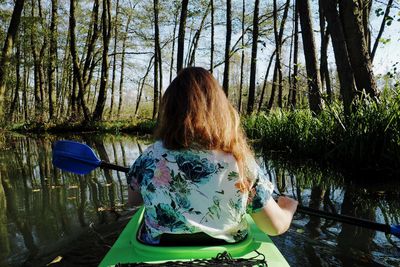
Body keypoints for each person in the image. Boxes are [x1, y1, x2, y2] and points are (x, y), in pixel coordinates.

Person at [127, 67, 298, 245]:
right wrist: (288, 208)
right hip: (226, 255)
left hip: (158, 248)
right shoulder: (241, 162)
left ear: (169, 112)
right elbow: (275, 228)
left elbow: (133, 201)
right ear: (220, 111)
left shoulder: (149, 156)